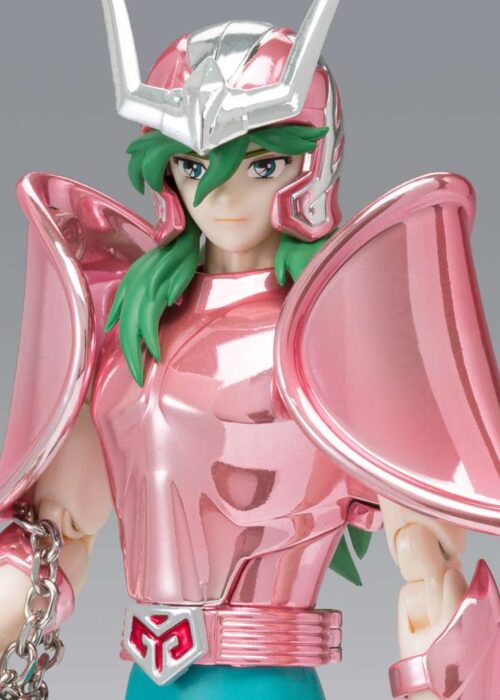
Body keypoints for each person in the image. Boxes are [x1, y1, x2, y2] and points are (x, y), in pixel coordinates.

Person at [0, 1, 499, 699]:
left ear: (310, 166)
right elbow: (58, 536)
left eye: (261, 164)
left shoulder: (332, 336)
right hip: (149, 679)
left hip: (268, 680)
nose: (222, 194)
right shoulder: (132, 330)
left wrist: (443, 673)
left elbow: (426, 561)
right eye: (193, 164)